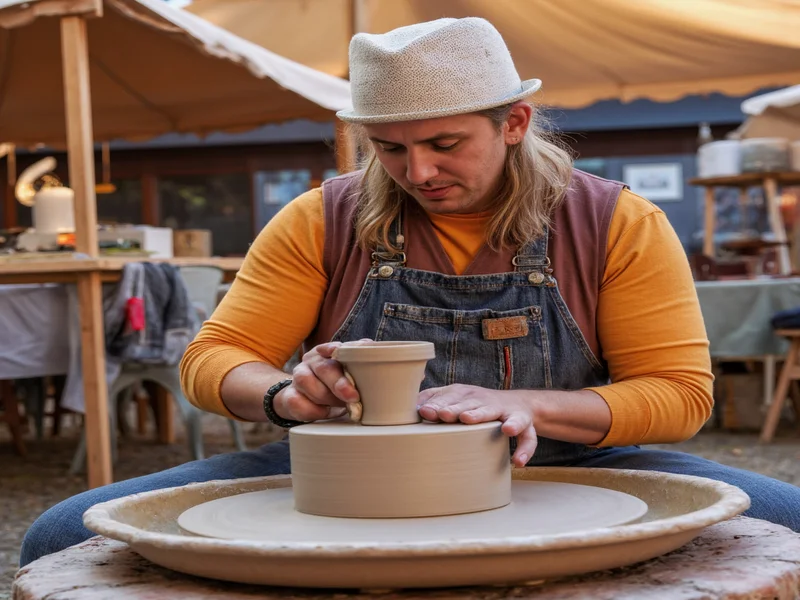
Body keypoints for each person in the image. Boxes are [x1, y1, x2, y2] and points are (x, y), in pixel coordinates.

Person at [21, 17, 800, 566]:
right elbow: (214, 358)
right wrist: (288, 396)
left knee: (790, 520)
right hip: (347, 473)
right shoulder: (322, 218)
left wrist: (530, 406)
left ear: (516, 122)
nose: (418, 172)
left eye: (445, 143)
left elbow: (680, 394)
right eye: (389, 148)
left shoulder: (612, 221)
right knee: (58, 534)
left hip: (563, 464)